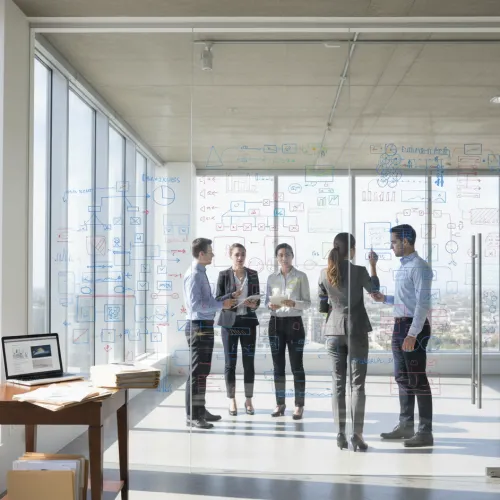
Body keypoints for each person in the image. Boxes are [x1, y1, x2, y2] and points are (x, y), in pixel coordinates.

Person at [371, 224, 434, 447]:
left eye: (394, 241)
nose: (392, 246)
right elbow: (406, 300)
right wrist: (385, 299)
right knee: (402, 378)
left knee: (417, 380)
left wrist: (412, 334)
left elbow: (423, 304)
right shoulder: (405, 267)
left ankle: (425, 432)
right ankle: (406, 426)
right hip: (399, 326)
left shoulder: (419, 267)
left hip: (411, 328)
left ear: (406, 242)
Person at [318, 233, 380, 452]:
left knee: (337, 384)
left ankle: (339, 434)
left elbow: (322, 305)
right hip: (356, 331)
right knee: (357, 385)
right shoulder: (360, 271)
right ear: (352, 250)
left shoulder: (324, 273)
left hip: (333, 332)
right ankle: (357, 435)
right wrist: (373, 266)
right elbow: (375, 291)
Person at [183, 238, 236, 429]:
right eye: (210, 251)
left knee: (203, 371)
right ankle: (192, 415)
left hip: (205, 325)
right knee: (196, 372)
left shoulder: (201, 273)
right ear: (201, 254)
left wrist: (226, 299)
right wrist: (222, 304)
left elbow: (206, 300)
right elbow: (195, 305)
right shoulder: (194, 275)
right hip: (197, 327)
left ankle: (200, 410)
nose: (213, 254)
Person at [265, 243, 311, 420]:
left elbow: (307, 303)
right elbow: (265, 303)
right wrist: (270, 305)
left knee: (296, 366)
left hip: (294, 324)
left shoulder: (301, 277)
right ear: (277, 258)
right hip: (275, 323)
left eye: (287, 255)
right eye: (281, 255)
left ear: (292, 256)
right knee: (278, 366)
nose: (284, 258)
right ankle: (280, 403)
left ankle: (299, 405)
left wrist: (294, 304)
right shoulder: (271, 278)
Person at [216, 243, 260, 416]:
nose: (240, 258)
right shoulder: (223, 275)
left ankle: (248, 400)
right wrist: (230, 297)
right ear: (230, 255)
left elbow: (257, 300)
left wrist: (253, 304)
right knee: (230, 363)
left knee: (249, 363)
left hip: (248, 322)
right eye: (237, 255)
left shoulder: (253, 275)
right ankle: (231, 399)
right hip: (229, 324)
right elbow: (218, 298)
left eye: (242, 254)